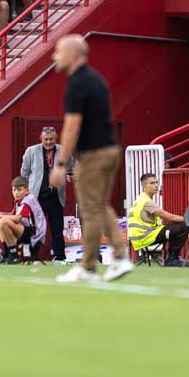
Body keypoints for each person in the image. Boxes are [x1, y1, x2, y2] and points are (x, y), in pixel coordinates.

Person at [52, 35, 131, 283]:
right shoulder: (97, 80)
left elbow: (72, 126)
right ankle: (120, 256)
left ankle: (87, 267)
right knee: (99, 205)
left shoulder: (77, 83)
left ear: (73, 55)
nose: (54, 56)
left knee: (90, 210)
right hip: (110, 150)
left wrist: (61, 163)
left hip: (94, 154)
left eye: (58, 51)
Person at [20, 125, 70, 263]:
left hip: (56, 196)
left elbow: (70, 169)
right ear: (41, 138)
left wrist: (69, 176)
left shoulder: (64, 151)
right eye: (46, 139)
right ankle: (34, 257)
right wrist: (25, 193)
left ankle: (60, 257)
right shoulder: (31, 151)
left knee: (57, 228)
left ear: (56, 138)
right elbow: (24, 173)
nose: (48, 142)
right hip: (37, 197)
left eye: (51, 139)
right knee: (36, 229)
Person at [126, 173, 188, 265]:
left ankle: (171, 258)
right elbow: (169, 217)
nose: (155, 185)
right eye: (151, 183)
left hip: (138, 237)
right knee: (183, 226)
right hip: (145, 237)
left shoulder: (139, 200)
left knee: (174, 227)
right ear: (144, 187)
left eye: (156, 182)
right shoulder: (146, 202)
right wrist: (188, 220)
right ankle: (172, 259)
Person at [0, 176, 47, 263]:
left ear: (27, 190)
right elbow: (13, 214)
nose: (16, 193)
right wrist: (0, 213)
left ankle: (14, 255)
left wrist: (0, 216)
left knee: (3, 221)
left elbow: (16, 218)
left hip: (34, 234)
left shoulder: (28, 200)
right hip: (25, 229)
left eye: (19, 190)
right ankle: (7, 252)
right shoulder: (19, 199)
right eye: (14, 190)